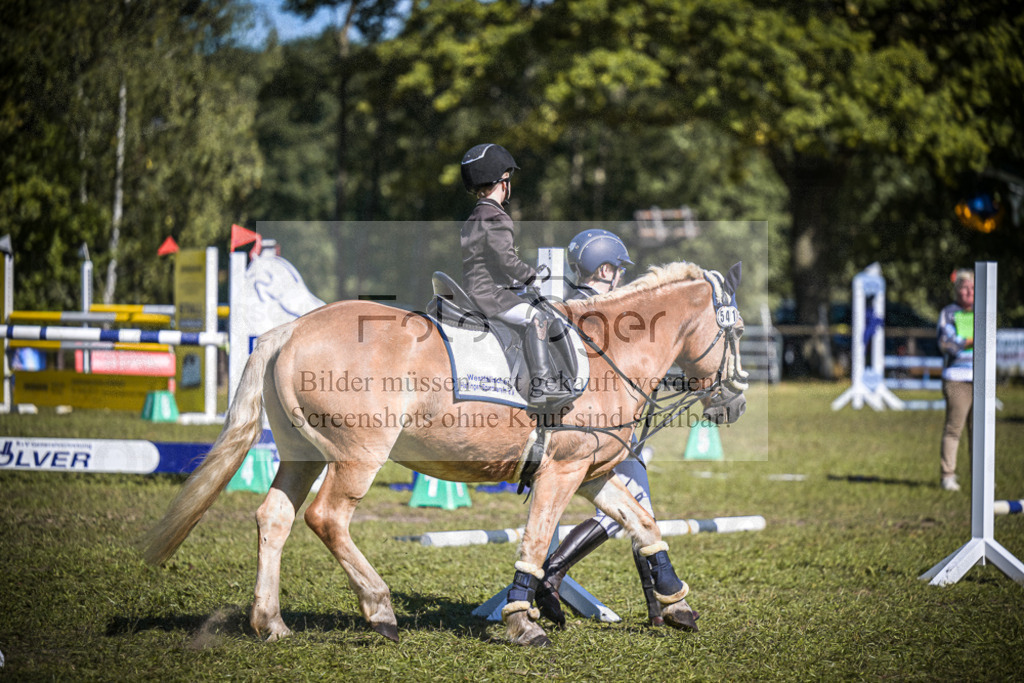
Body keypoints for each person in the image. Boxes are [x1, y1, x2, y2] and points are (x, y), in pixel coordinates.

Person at [534, 229, 667, 628]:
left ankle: (659, 608)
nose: (621, 277)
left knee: (642, 506)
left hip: (603, 426)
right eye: (618, 270)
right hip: (595, 430)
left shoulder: (575, 304)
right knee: (632, 503)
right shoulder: (593, 310)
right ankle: (552, 573)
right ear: (605, 268)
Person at [459, 143, 572, 408]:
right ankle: (542, 383)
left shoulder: (474, 216)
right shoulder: (497, 217)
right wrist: (533, 277)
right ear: (503, 181)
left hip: (473, 291)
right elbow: (506, 260)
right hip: (491, 296)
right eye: (509, 178)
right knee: (538, 317)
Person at [937, 268, 975, 492]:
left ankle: (981, 476)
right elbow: (948, 344)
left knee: (980, 431)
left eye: (972, 287)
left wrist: (967, 340)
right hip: (957, 378)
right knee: (955, 428)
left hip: (980, 377)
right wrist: (970, 340)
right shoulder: (949, 313)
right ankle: (948, 474)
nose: (969, 291)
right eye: (964, 287)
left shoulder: (983, 312)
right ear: (956, 290)